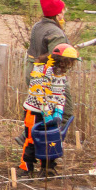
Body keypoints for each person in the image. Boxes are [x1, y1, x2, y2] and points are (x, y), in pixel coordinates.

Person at [22, 43, 78, 177]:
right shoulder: (40, 69)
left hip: (51, 112)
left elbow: (60, 94)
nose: (70, 65)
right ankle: (26, 168)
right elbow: (38, 93)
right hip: (35, 110)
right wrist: (46, 113)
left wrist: (58, 111)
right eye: (69, 62)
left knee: (51, 139)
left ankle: (48, 168)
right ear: (61, 60)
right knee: (32, 139)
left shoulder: (60, 73)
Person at [29, 0, 68, 64]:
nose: (63, 16)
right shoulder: (55, 32)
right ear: (58, 14)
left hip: (32, 69)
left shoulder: (37, 26)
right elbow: (56, 58)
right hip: (46, 72)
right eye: (63, 13)